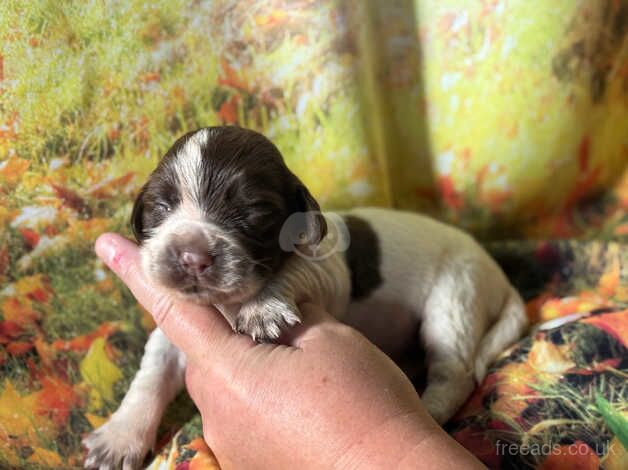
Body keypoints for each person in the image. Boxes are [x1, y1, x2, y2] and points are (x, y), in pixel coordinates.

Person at [95, 233, 484, 469]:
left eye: (244, 214)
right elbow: (170, 344)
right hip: (385, 347)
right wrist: (133, 420)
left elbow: (327, 275)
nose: (194, 257)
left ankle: (438, 404)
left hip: (451, 267)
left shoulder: (315, 245)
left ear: (300, 222)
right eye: (162, 208)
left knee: (449, 355)